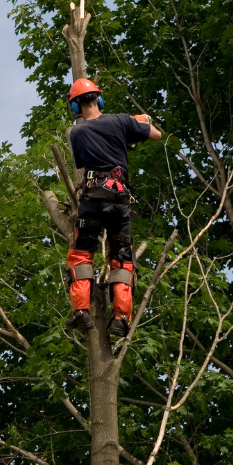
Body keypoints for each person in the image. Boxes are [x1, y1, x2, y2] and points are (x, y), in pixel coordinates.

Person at [64, 78, 161, 337]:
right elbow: (156, 135)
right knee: (121, 258)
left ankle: (81, 312)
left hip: (93, 196)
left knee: (82, 253)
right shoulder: (121, 120)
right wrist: (136, 122)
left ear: (75, 107)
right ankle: (120, 318)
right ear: (99, 98)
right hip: (119, 197)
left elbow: (84, 161)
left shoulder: (76, 133)